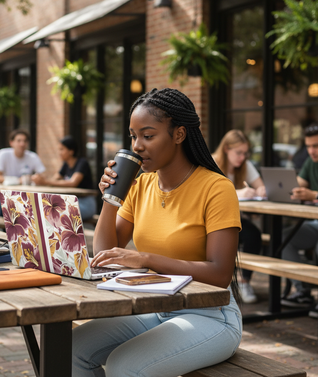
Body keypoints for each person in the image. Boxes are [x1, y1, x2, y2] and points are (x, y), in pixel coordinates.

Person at [72, 88, 242, 377]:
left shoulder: (216, 188)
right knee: (71, 348)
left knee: (124, 367)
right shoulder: (140, 186)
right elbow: (105, 255)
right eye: (133, 136)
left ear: (178, 135)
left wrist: (145, 259)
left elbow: (220, 274)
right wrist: (111, 198)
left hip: (210, 315)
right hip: (156, 307)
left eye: (148, 136)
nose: (137, 146)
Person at [281, 122, 318, 318]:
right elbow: (299, 186)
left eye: (316, 146)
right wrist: (289, 189)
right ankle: (302, 292)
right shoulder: (312, 162)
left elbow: (316, 194)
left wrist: (315, 194)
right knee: (285, 238)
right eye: (308, 146)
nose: (311, 151)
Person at [213, 130, 266, 304]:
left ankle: (244, 282)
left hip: (234, 219)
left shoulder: (245, 165)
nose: (242, 157)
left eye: (245, 153)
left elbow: (261, 187)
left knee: (254, 235)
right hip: (212, 220)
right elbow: (209, 195)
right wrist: (238, 193)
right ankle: (222, 281)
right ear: (227, 149)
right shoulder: (212, 163)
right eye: (238, 153)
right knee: (228, 238)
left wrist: (260, 190)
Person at [31, 135, 97, 220]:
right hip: (71, 203)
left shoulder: (82, 163)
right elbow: (54, 179)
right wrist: (42, 179)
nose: (59, 152)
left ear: (71, 151)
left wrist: (46, 182)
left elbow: (73, 183)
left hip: (85, 204)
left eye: (62, 149)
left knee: (55, 214)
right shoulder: (66, 165)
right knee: (44, 209)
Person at [0, 129, 46, 216]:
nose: (22, 144)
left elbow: (43, 175)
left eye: (25, 141)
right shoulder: (3, 154)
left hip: (25, 196)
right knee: (0, 216)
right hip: (4, 195)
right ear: (11, 143)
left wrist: (36, 178)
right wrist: (18, 180)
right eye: (19, 141)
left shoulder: (32, 156)